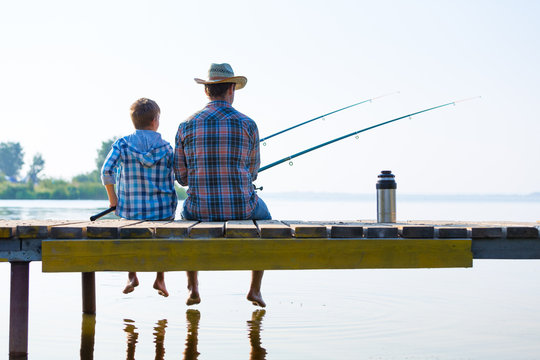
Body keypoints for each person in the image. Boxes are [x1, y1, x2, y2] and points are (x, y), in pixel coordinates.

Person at [174, 63, 271, 307]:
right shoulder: (248, 124)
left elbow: (182, 177)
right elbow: (252, 172)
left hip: (199, 210)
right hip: (243, 209)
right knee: (267, 219)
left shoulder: (185, 125)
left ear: (207, 91)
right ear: (231, 89)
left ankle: (193, 288)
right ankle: (255, 289)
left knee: (185, 219)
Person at [101, 98, 178, 297]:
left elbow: (106, 171)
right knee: (162, 239)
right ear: (155, 120)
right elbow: (178, 175)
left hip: (130, 211)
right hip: (163, 211)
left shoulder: (122, 145)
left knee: (130, 236)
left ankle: (132, 276)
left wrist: (113, 200)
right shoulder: (167, 148)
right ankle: (160, 279)